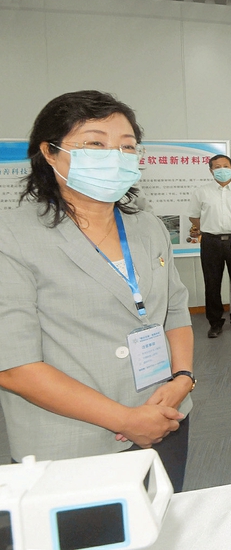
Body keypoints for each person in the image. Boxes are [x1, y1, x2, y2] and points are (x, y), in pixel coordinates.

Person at [0, 91, 194, 491]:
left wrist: (183, 378)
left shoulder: (147, 226)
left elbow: (175, 310)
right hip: (72, 442)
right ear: (49, 153)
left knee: (163, 518)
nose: (114, 157)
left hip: (163, 415)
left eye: (127, 146)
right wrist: (125, 419)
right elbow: (15, 366)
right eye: (94, 144)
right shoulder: (12, 236)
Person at [187, 154, 231, 338]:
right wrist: (207, 228)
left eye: (225, 166)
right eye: (217, 167)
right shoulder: (201, 192)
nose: (222, 169)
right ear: (211, 170)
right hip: (211, 242)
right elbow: (193, 216)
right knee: (212, 283)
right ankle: (215, 323)